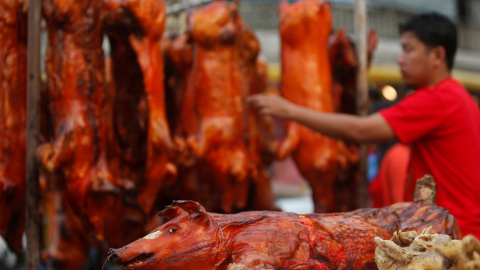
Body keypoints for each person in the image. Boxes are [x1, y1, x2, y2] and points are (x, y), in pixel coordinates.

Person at [248, 12, 480, 238]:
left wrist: (289, 111)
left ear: (438, 56)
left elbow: (362, 130)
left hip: (457, 235)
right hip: (456, 230)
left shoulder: (439, 98)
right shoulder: (458, 97)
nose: (401, 59)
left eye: (408, 50)